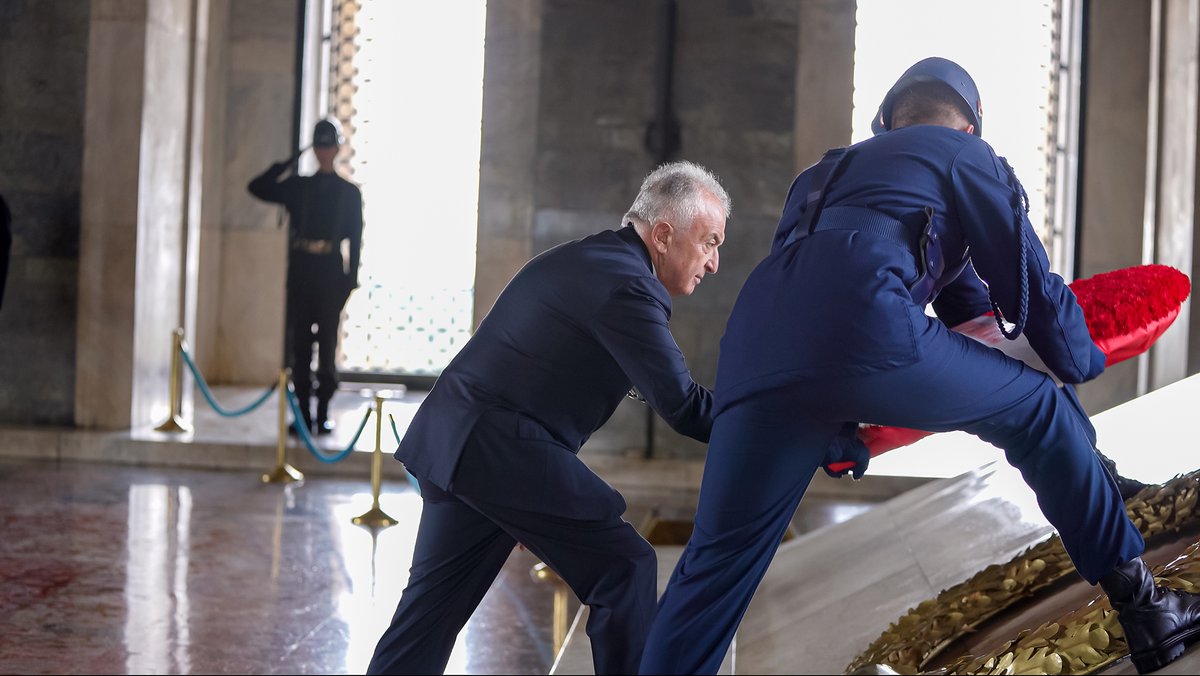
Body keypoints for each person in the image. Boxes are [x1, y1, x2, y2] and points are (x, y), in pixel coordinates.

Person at [639, 57, 1200, 676]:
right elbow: (1031, 289)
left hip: (751, 355)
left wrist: (836, 432)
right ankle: (1149, 611)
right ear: (970, 128)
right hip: (865, 324)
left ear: (885, 123)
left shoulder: (822, 176)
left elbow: (948, 316)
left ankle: (1097, 483)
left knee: (715, 567)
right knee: (1036, 409)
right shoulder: (965, 158)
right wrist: (1081, 356)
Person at [365, 161, 730, 675]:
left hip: (460, 442)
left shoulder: (600, 260)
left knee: (426, 619)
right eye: (709, 241)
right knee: (625, 567)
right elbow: (684, 406)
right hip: (496, 447)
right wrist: (778, 429)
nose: (713, 262)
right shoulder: (628, 285)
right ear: (665, 235)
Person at [248, 118, 363, 435]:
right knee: (299, 347)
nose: (325, 151)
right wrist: (288, 161)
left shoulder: (349, 193)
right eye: (320, 145)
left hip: (329, 273)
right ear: (314, 149)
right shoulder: (298, 186)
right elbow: (257, 187)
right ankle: (302, 417)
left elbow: (355, 240)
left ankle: (323, 413)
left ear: (337, 148)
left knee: (327, 346)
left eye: (329, 145)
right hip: (301, 271)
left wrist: (348, 283)